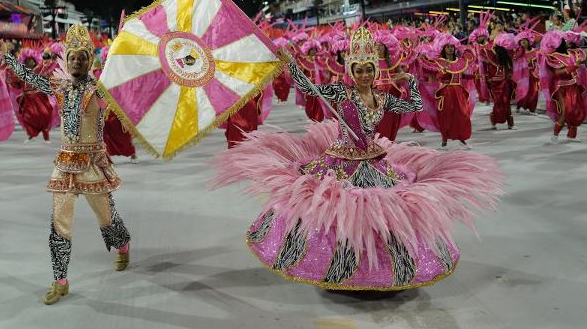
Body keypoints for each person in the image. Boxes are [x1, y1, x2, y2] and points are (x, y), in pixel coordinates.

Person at [213, 27, 504, 291]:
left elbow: (413, 105)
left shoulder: (382, 98)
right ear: (350, 71)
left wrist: (410, 82)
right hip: (340, 163)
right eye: (359, 69)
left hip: (374, 162)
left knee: (382, 212)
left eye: (368, 69)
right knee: (334, 210)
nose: (364, 74)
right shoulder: (341, 92)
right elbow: (309, 89)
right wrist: (292, 65)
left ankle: (383, 267)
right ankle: (333, 262)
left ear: (375, 71)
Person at [0, 25, 131, 306]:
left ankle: (123, 245)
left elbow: (127, 95)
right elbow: (29, 78)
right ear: (65, 61)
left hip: (92, 163)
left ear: (89, 62)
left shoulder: (101, 90)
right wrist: (8, 57)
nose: (76, 61)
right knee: (59, 225)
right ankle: (60, 281)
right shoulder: (59, 87)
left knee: (106, 216)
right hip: (65, 164)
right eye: (72, 57)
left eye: (82, 57)